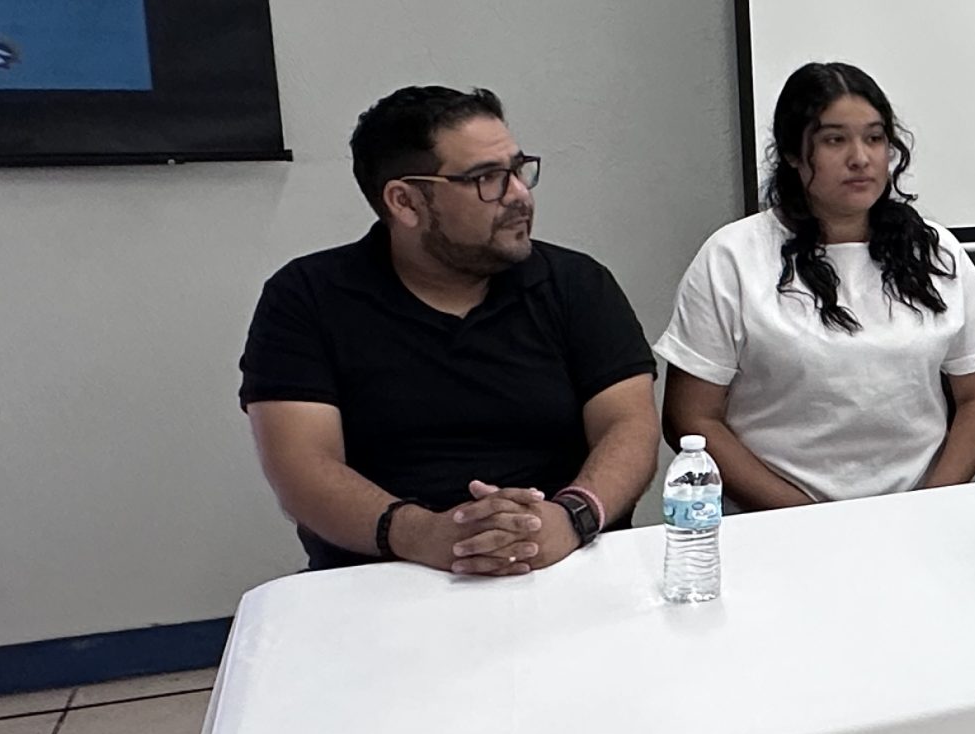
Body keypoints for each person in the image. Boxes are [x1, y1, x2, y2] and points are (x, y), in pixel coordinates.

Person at [241, 86, 660, 574]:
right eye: (487, 178)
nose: (519, 194)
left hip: (568, 557)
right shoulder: (306, 297)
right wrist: (425, 535)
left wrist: (572, 517)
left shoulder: (576, 283)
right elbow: (303, 468)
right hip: (385, 573)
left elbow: (629, 425)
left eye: (519, 169)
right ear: (405, 201)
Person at [656, 62, 975, 508]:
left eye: (875, 138)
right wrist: (805, 518)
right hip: (776, 521)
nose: (860, 157)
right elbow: (692, 417)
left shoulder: (936, 251)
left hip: (918, 517)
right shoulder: (732, 257)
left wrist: (930, 505)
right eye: (834, 140)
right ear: (793, 153)